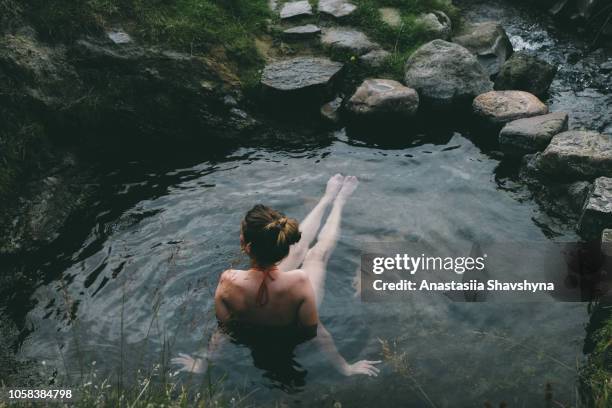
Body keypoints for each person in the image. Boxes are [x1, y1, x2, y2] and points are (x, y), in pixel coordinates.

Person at [172, 174, 380, 380]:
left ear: (246, 246)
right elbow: (317, 332)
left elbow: (224, 330)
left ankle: (328, 198)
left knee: (299, 251)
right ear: (281, 246)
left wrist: (203, 363)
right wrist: (345, 367)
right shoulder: (299, 280)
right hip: (292, 296)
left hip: (273, 290)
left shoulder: (228, 279)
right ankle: (337, 201)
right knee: (317, 254)